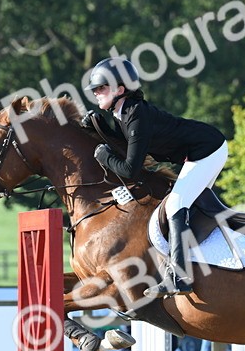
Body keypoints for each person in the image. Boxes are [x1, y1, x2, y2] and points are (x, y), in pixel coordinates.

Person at [83, 57, 228, 297]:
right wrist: (100, 128)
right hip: (195, 152)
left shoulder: (136, 115)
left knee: (175, 205)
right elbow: (127, 146)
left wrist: (104, 156)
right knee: (190, 205)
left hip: (207, 150)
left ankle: (180, 276)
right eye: (96, 89)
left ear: (120, 90)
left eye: (102, 88)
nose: (96, 93)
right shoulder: (124, 113)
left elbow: (130, 168)